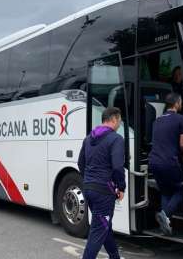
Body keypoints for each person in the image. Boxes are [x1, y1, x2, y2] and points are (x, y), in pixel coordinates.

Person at [77, 107, 125, 259]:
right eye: (120, 120)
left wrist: (89, 180)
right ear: (114, 119)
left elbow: (80, 163)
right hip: (104, 192)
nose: (120, 123)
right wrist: (120, 187)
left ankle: (114, 256)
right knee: (98, 231)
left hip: (89, 188)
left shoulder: (88, 138)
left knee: (104, 225)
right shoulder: (116, 139)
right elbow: (118, 166)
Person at [148, 92, 183, 235]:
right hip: (169, 162)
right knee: (182, 189)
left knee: (165, 191)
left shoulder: (157, 120)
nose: (181, 104)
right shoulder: (181, 119)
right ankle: (164, 214)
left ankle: (165, 226)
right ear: (177, 103)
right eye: (181, 102)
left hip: (154, 162)